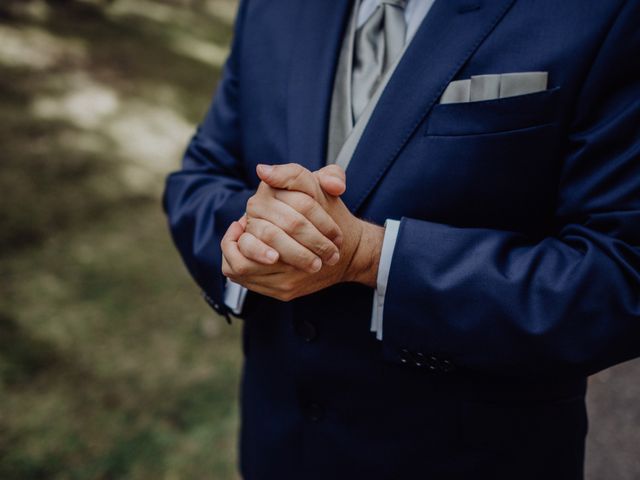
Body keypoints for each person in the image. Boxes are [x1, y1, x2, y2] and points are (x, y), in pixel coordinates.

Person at [163, 0, 640, 478]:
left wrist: (372, 257)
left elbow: (620, 273)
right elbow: (202, 175)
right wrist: (257, 237)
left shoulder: (604, 13)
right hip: (280, 450)